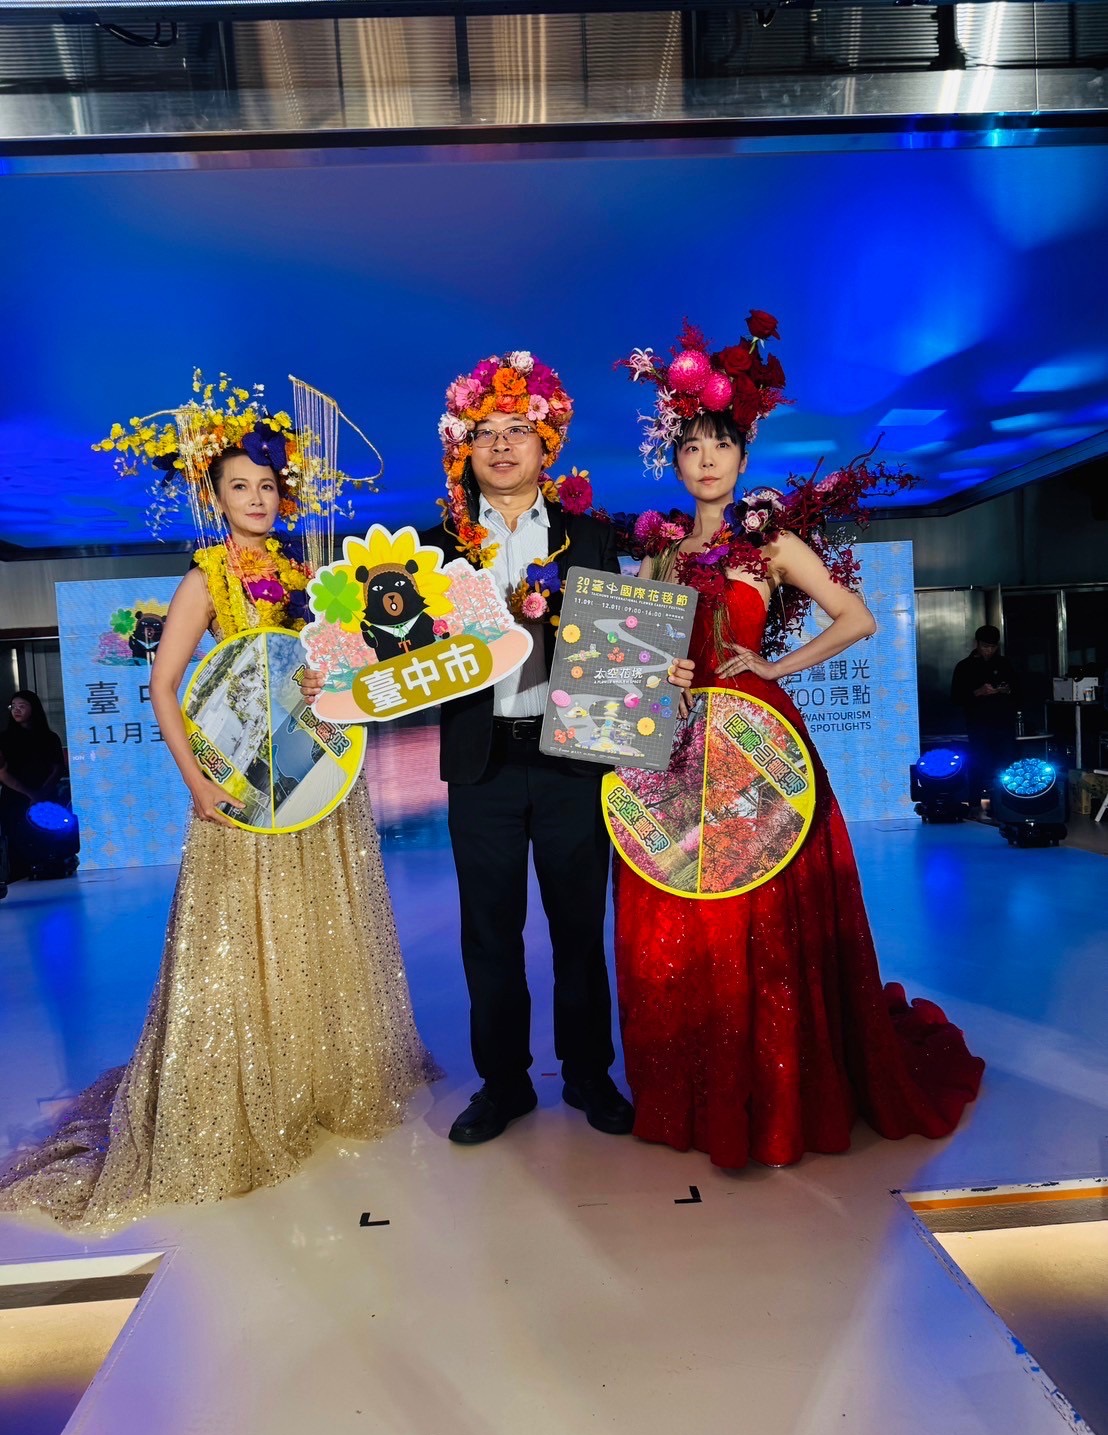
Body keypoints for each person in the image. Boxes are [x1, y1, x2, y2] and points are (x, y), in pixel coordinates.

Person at [0, 377, 437, 1229]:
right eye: (240, 486)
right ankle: (246, 1089)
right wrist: (195, 780)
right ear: (217, 496)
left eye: (267, 485)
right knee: (244, 936)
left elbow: (334, 675)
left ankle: (314, 1075)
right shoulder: (205, 578)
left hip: (313, 777)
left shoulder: (308, 575)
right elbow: (165, 685)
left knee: (315, 925)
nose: (257, 498)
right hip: (239, 786)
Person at [613, 317, 984, 1169]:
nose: (706, 460)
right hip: (681, 745)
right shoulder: (662, 554)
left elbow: (855, 617)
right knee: (687, 897)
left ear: (743, 455)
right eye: (691, 447)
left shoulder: (770, 541)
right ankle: (699, 1085)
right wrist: (666, 676)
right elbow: (645, 656)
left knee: (762, 904)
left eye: (720, 445)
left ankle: (776, 1088)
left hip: (760, 742)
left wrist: (775, 663)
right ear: (675, 462)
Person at [419, 351, 659, 1145]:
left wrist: (655, 669)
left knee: (578, 928)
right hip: (479, 761)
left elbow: (622, 645)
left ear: (545, 443)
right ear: (464, 448)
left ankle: (588, 1073)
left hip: (572, 762)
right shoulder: (434, 548)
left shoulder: (588, 536)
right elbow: (401, 650)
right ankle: (504, 1083)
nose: (501, 445)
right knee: (488, 932)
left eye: (516, 430)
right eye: (485, 432)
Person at [0, 690, 66, 880]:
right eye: (13, 707)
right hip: (15, 799)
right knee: (18, 846)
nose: (16, 710)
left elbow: (57, 769)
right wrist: (31, 794)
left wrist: (41, 794)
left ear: (34, 708)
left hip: (45, 798)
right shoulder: (4, 739)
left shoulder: (49, 738)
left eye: (22, 706)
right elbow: (3, 773)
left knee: (47, 841)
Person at [951, 625, 1020, 802]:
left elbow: (1019, 691)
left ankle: (1007, 801)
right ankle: (975, 802)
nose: (989, 650)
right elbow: (956, 697)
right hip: (978, 725)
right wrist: (978, 692)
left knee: (1007, 763)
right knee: (978, 763)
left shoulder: (1004, 664)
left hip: (1003, 724)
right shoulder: (964, 666)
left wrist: (1007, 690)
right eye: (985, 646)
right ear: (977, 644)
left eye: (992, 647)